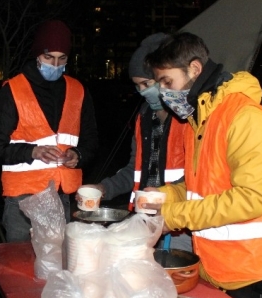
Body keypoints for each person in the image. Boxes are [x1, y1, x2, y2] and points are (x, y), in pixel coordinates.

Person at [142, 31, 262, 298]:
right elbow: (201, 187)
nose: (163, 92)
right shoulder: (198, 120)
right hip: (221, 268)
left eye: (167, 82)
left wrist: (170, 218)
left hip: (258, 273)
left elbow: (249, 199)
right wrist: (163, 196)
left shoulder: (245, 118)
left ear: (195, 69)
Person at [0, 20, 98, 242]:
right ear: (37, 56)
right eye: (48, 57)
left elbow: (91, 140)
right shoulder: (14, 90)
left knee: (56, 265)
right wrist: (32, 152)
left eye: (61, 58)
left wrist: (79, 155)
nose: (55, 64)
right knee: (21, 265)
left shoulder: (77, 90)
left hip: (61, 196)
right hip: (22, 201)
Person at [79, 33, 192, 251]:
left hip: (181, 224)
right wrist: (103, 188)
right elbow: (135, 170)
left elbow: (200, 177)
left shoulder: (188, 118)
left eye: (146, 83)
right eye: (137, 86)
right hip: (144, 219)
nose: (142, 91)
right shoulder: (144, 119)